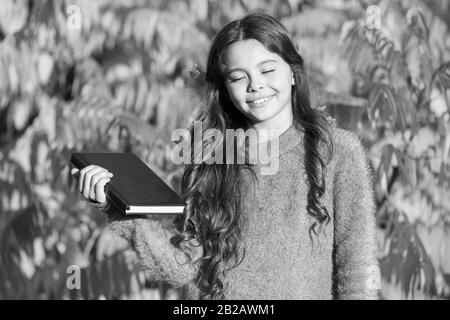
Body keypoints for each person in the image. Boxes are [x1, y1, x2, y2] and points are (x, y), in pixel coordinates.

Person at [71, 13, 380, 300]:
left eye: (267, 69)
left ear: (293, 73)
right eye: (238, 77)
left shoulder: (337, 152)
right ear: (226, 88)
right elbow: (185, 266)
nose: (255, 84)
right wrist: (120, 210)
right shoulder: (211, 158)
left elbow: (355, 273)